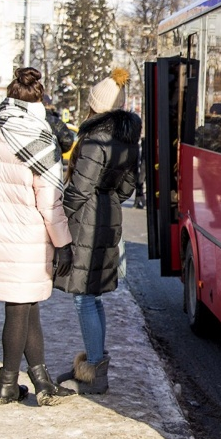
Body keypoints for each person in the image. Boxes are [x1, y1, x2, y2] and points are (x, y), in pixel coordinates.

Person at [0, 67, 74, 406]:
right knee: (19, 310)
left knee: (27, 306)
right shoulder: (40, 137)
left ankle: (42, 382)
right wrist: (63, 243)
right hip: (27, 239)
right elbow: (49, 201)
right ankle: (6, 385)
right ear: (38, 103)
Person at [53, 68, 140, 394]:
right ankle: (94, 363)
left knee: (83, 298)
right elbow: (127, 188)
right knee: (92, 296)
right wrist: (108, 198)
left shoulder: (94, 139)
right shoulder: (128, 141)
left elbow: (78, 189)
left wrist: (59, 219)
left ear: (95, 106)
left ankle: (94, 371)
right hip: (108, 217)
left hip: (86, 222)